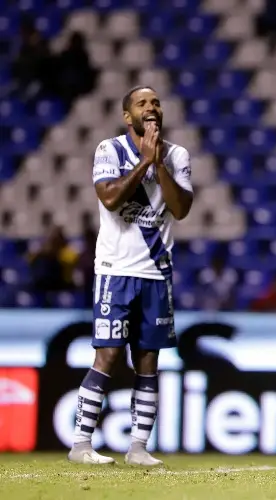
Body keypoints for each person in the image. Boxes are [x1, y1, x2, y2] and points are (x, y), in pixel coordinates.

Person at [67, 86, 193, 466]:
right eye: (142, 103)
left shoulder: (177, 156)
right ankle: (81, 445)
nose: (151, 107)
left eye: (156, 102)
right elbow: (110, 198)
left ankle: (138, 448)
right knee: (107, 355)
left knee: (148, 361)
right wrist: (142, 162)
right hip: (115, 270)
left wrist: (157, 164)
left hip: (156, 273)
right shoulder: (109, 150)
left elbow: (181, 208)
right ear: (128, 116)